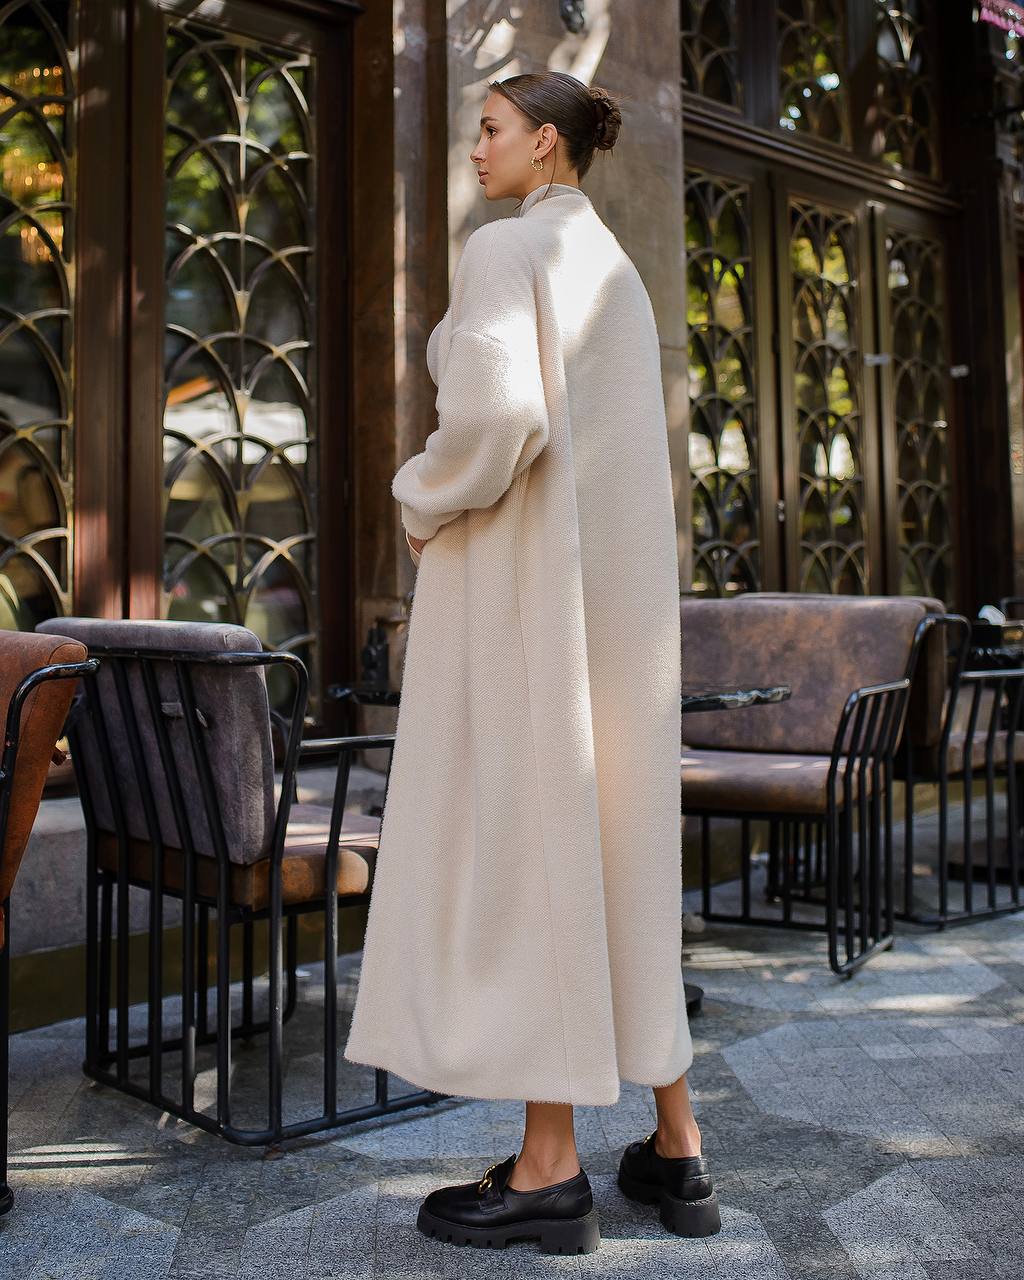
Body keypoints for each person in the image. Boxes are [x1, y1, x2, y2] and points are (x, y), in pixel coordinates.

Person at [343, 69, 720, 1254]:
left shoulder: (510, 251)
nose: (476, 148)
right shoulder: (609, 263)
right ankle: (677, 1147)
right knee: (615, 848)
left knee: (537, 847)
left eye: (491, 129)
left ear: (543, 141)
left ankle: (549, 1164)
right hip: (610, 617)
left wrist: (418, 496)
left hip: (525, 604)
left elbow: (498, 421)